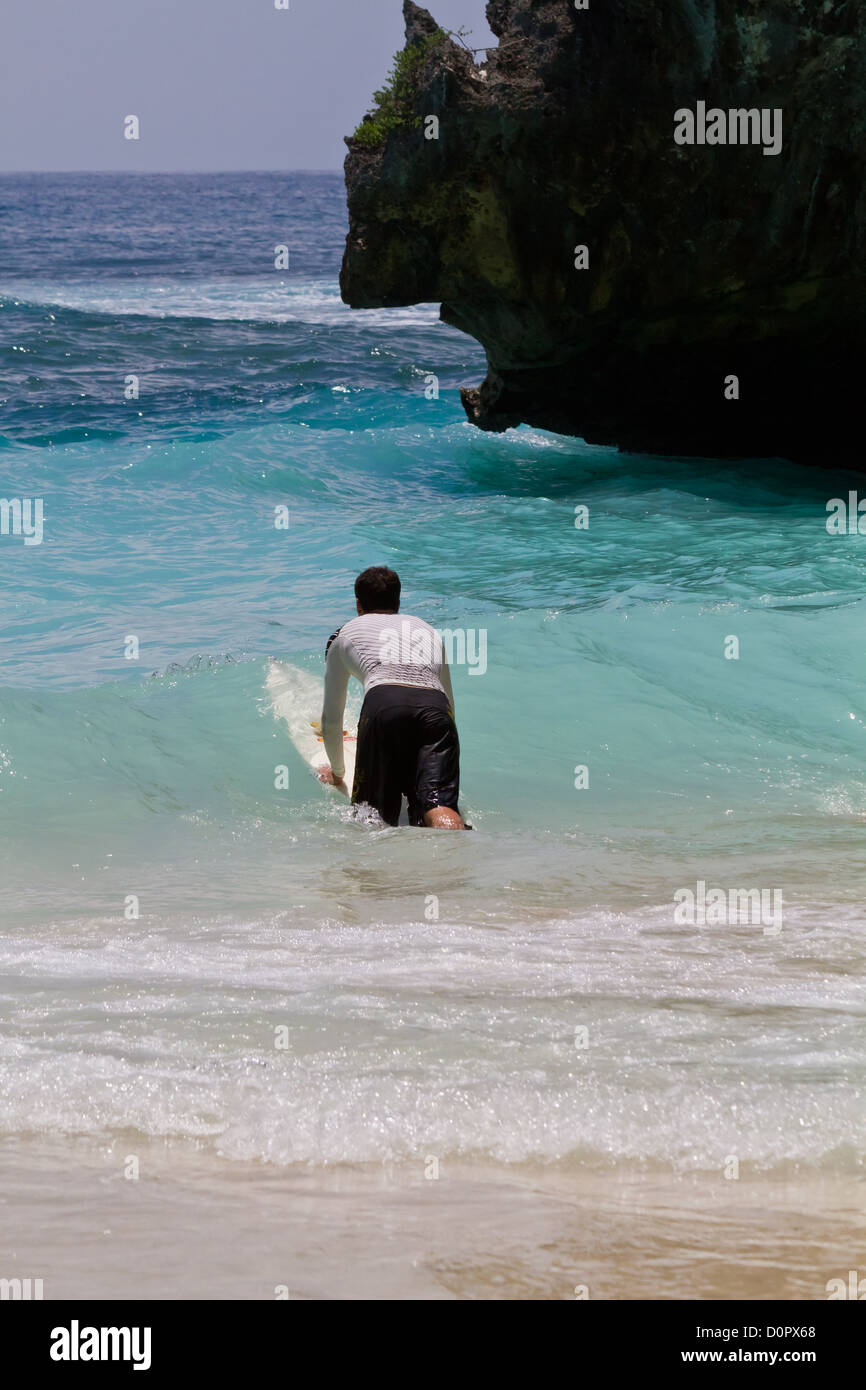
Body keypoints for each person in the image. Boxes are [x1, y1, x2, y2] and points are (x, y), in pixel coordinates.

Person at [318, 566, 466, 829]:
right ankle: (457, 849)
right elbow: (449, 706)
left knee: (372, 819)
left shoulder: (344, 635)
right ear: (398, 602)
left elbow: (331, 720)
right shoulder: (428, 630)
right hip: (437, 710)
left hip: (383, 704)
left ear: (358, 603)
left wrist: (338, 773)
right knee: (438, 805)